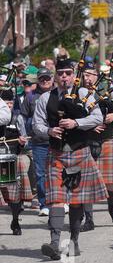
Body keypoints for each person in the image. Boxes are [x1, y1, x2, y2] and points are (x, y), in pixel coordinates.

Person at [33, 58, 107, 260]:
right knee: (56, 199)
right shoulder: (45, 98)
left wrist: (76, 123)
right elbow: (36, 124)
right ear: (56, 76)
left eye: (67, 73)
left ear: (74, 75)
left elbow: (98, 117)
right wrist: (49, 130)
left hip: (79, 152)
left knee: (76, 202)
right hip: (56, 154)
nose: (64, 77)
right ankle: (55, 243)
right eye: (60, 73)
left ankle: (73, 242)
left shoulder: (85, 95)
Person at [81, 61, 113, 231]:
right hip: (87, 141)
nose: (86, 77)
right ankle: (88, 219)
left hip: (108, 139)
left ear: (97, 75)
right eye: (84, 74)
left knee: (112, 183)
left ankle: (112, 208)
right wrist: (89, 124)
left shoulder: (111, 89)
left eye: (90, 74)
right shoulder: (78, 93)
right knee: (86, 182)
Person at [20, 68, 54, 216]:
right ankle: (44, 204)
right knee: (41, 174)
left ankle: (60, 202)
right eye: (42, 79)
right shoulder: (30, 97)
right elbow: (22, 118)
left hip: (57, 141)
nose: (45, 81)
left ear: (52, 79)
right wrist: (24, 135)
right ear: (38, 80)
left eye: (47, 78)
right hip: (38, 141)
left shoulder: (58, 94)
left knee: (58, 172)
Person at [0, 89, 31, 235]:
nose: (9, 105)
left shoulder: (17, 117)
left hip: (11, 157)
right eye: (6, 103)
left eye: (11, 102)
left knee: (14, 195)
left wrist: (22, 141)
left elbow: (24, 138)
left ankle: (15, 220)